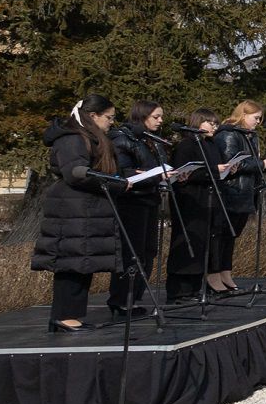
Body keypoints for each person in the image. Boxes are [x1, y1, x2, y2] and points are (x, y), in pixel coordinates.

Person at [32, 95, 127, 333]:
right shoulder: (72, 138)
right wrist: (114, 183)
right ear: (93, 116)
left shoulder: (91, 137)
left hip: (87, 209)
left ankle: (71, 314)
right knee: (72, 262)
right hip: (73, 209)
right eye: (109, 117)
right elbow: (75, 173)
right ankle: (64, 316)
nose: (112, 123)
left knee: (83, 262)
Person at [108, 100, 172, 317]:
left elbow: (157, 166)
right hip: (131, 202)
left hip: (150, 199)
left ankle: (135, 297)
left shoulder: (152, 140)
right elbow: (122, 173)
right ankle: (122, 299)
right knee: (132, 253)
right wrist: (151, 175)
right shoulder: (123, 138)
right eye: (156, 117)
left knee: (148, 251)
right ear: (142, 116)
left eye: (161, 116)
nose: (161, 121)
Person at [213, 101, 266, 291]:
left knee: (232, 236)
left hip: (245, 192)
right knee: (221, 236)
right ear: (243, 115)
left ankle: (225, 272)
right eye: (256, 118)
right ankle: (214, 275)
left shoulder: (250, 136)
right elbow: (232, 165)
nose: (258, 122)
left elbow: (249, 163)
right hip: (230, 192)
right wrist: (262, 164)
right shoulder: (229, 134)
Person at [166, 108, 226, 299]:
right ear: (198, 122)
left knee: (202, 244)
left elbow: (214, 168)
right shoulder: (187, 145)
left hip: (208, 200)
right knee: (186, 243)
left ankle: (194, 286)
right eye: (210, 122)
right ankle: (179, 289)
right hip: (189, 199)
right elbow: (183, 173)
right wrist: (214, 171)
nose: (214, 127)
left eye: (216, 123)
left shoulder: (211, 144)